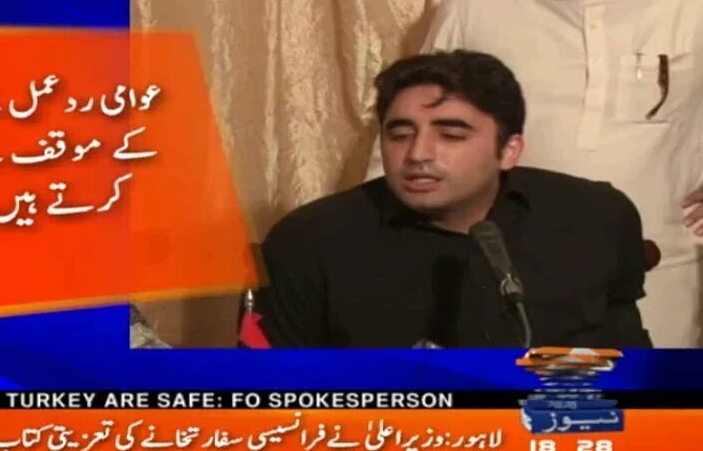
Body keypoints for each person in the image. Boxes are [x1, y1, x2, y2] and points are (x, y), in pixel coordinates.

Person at [260, 50, 652, 348]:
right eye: (400, 135)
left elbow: (629, 363)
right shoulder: (310, 241)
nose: (418, 154)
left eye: (450, 135)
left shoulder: (594, 216)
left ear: (509, 150)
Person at [409, 0, 703, 347]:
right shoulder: (474, 5)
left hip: (660, 276)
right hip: (501, 278)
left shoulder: (688, 4)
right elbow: (410, 129)